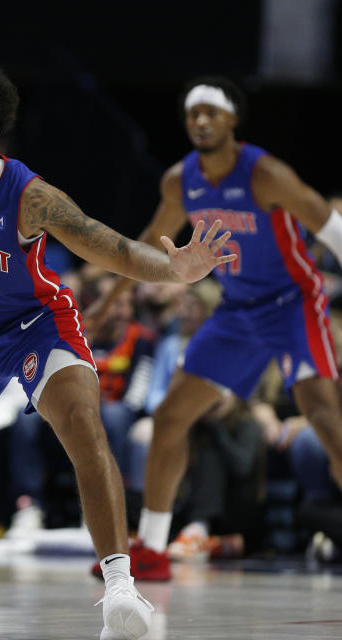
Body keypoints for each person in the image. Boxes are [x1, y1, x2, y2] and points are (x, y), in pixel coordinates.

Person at [0, 56, 233, 639]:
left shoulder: (30, 196)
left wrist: (175, 269)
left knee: (83, 421)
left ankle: (120, 587)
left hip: (37, 324)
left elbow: (120, 252)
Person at [87, 76, 342, 582]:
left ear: (232, 120)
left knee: (327, 423)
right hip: (238, 311)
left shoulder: (265, 173)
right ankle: (153, 550)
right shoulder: (180, 181)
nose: (200, 122)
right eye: (192, 114)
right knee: (169, 418)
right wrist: (107, 302)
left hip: (293, 304)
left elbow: (327, 225)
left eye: (211, 113)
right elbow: (146, 244)